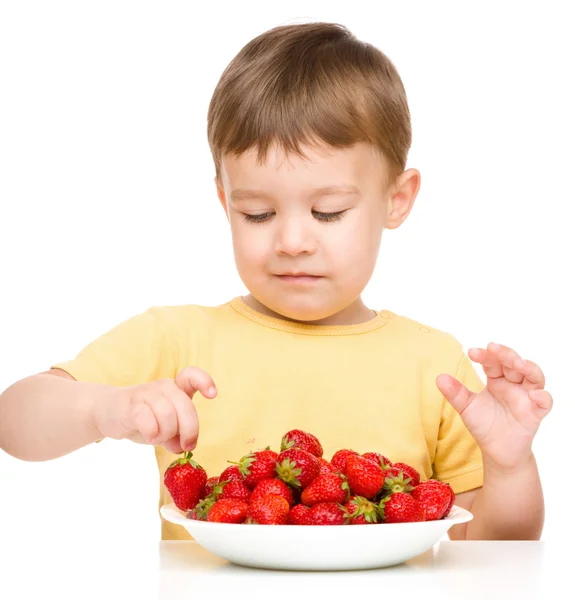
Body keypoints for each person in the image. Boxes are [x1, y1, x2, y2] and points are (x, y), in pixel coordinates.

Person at [0, 22, 552, 541]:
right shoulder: (178, 338)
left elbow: (495, 549)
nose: (292, 241)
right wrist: (104, 410)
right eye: (258, 214)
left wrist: (509, 464)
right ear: (225, 201)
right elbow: (14, 420)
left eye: (329, 212)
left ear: (397, 199)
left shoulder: (436, 367)